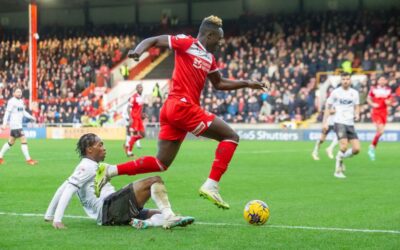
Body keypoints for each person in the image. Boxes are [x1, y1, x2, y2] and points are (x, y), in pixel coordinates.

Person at [95, 15, 268, 209]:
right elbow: (153, 40)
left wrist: (246, 83)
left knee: (161, 163)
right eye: (219, 39)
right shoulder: (187, 42)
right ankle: (211, 185)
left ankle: (109, 170)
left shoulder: (209, 58)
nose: (220, 43)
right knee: (231, 137)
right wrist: (138, 51)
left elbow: (219, 83)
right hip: (182, 107)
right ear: (209, 35)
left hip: (172, 110)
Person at [44, 133, 194, 229]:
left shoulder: (94, 166)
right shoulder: (86, 167)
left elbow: (62, 188)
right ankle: (169, 217)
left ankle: (148, 222)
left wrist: (49, 215)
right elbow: (68, 189)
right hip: (108, 208)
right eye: (100, 145)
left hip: (111, 210)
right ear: (89, 149)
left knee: (158, 212)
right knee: (154, 180)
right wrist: (57, 220)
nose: (104, 148)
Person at [323, 73, 360, 178]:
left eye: (347, 79)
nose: (345, 81)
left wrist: (357, 114)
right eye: (343, 79)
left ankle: (340, 157)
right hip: (339, 121)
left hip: (350, 123)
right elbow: (328, 106)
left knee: (356, 149)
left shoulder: (355, 93)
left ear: (350, 81)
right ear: (341, 80)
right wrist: (325, 122)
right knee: (343, 146)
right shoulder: (335, 92)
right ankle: (337, 172)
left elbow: (357, 106)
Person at [0, 88, 38, 165]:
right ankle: (28, 160)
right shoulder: (11, 101)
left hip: (18, 125)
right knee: (23, 139)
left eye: (20, 92)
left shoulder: (21, 101)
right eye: (17, 92)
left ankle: (0, 157)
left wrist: (31, 117)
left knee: (11, 142)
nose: (19, 93)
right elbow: (7, 113)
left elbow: (23, 112)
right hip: (15, 125)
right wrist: (4, 124)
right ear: (14, 93)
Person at [367, 75, 392, 161]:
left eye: (383, 79)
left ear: (385, 81)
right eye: (380, 79)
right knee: (381, 130)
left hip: (384, 113)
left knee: (379, 132)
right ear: (378, 81)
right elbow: (368, 99)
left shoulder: (388, 90)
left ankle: (372, 147)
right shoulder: (373, 89)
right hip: (376, 112)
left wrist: (388, 102)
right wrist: (372, 104)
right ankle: (371, 147)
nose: (382, 81)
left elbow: (390, 102)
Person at [126, 84, 145, 157]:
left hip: (139, 118)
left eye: (141, 87)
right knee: (134, 134)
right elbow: (128, 108)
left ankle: (131, 142)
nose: (141, 88)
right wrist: (130, 118)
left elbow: (141, 107)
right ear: (136, 89)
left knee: (143, 135)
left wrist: (142, 114)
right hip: (134, 118)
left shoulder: (141, 97)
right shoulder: (133, 97)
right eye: (139, 87)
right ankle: (129, 151)